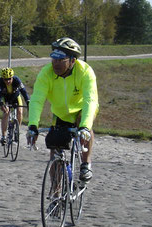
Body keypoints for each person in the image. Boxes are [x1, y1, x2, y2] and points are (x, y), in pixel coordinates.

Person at [27, 37, 99, 182]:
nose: (56, 63)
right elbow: (37, 100)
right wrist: (33, 125)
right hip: (60, 113)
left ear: (72, 60)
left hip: (80, 110)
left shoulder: (85, 71)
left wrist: (85, 126)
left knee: (85, 128)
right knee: (55, 151)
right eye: (54, 59)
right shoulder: (46, 73)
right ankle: (56, 194)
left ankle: (86, 163)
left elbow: (90, 100)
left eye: (61, 60)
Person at [0, 67, 30, 145]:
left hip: (16, 97)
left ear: (12, 77)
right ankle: (3, 136)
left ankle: (17, 131)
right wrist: (1, 103)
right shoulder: (0, 82)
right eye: (5, 79)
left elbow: (24, 92)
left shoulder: (17, 80)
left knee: (20, 112)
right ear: (2, 78)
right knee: (6, 113)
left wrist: (28, 101)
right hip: (6, 99)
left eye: (9, 79)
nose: (7, 81)